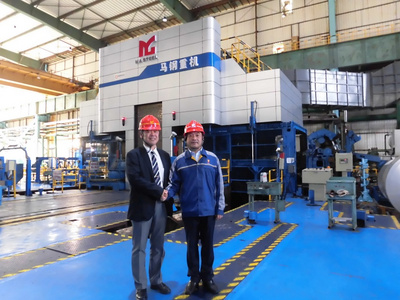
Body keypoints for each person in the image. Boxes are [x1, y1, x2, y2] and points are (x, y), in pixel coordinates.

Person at [167, 120, 225, 295]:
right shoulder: (179, 162)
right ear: (186, 139)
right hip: (190, 212)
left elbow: (219, 184)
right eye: (191, 135)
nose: (194, 138)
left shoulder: (213, 159)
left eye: (197, 135)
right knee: (191, 246)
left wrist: (220, 208)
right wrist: (165, 194)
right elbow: (173, 184)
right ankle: (193, 278)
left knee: (208, 246)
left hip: (209, 211)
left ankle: (207, 277)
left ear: (202, 138)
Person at [126, 115, 172, 300]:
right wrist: (158, 191)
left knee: (158, 247)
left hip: (161, 208)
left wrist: (170, 191)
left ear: (159, 134)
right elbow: (135, 180)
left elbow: (169, 180)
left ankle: (156, 280)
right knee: (140, 249)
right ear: (141, 133)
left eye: (155, 131)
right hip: (142, 207)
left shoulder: (164, 156)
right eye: (148, 130)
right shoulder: (133, 155)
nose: (152, 134)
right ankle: (141, 286)